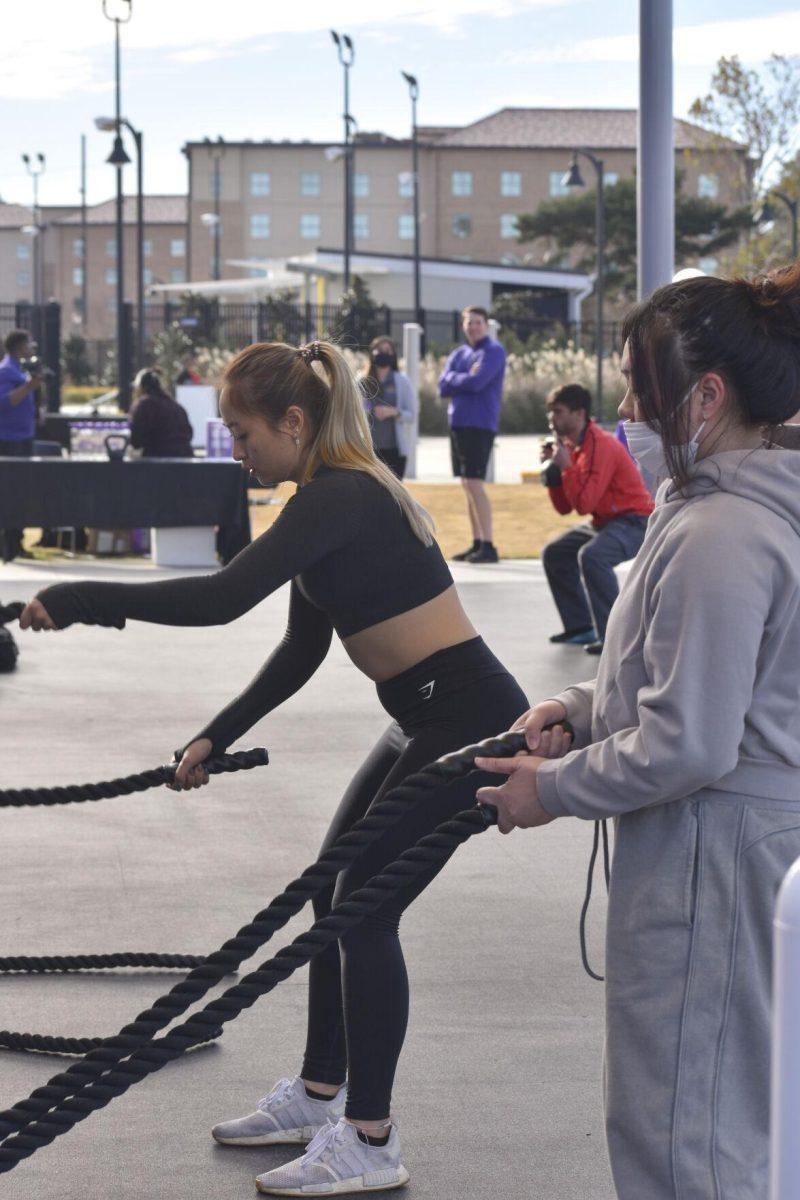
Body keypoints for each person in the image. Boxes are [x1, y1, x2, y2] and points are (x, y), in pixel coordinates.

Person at [20, 339, 530, 1198]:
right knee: (336, 895)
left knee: (367, 911)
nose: (236, 448)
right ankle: (319, 1091)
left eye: (243, 431)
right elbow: (301, 645)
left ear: (294, 423)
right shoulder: (322, 498)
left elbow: (221, 599)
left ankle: (371, 1136)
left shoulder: (339, 498)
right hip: (424, 719)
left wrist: (82, 600)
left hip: (471, 721)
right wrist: (217, 733)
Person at [473, 265, 800, 1200]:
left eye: (638, 386)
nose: (623, 407)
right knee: (712, 1119)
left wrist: (554, 789)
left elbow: (690, 740)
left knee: (682, 1135)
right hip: (728, 856)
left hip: (714, 858)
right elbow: (670, 671)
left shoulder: (724, 532)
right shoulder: (707, 513)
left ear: (707, 394)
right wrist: (576, 711)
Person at [540, 383, 653, 655]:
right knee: (555, 553)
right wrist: (554, 477)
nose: (552, 419)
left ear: (579, 414)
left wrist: (566, 469)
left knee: (593, 557)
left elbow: (584, 503)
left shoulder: (600, 446)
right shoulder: (572, 446)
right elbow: (565, 508)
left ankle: (617, 638)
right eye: (551, 413)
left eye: (558, 412)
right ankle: (580, 627)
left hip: (635, 522)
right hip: (605, 521)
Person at [438, 306, 505, 563]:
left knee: (475, 483)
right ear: (463, 326)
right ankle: (476, 542)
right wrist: (464, 377)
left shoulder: (494, 351)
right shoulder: (459, 353)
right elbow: (442, 386)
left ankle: (489, 544)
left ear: (486, 325)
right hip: (458, 423)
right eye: (469, 323)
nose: (473, 326)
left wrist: (457, 380)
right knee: (466, 483)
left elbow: (479, 383)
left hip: (480, 424)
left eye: (478, 322)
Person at [0, 329, 44, 562]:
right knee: (10, 492)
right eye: (28, 344)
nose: (32, 348)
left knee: (22, 493)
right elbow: (4, 403)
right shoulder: (6, 371)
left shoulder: (19, 369)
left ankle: (16, 542)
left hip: (23, 437)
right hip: (9, 441)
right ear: (18, 347)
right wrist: (29, 387)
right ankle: (8, 545)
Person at [360, 336, 416, 479]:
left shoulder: (402, 382)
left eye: (387, 350)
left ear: (393, 355)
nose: (383, 353)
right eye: (379, 350)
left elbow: (411, 415)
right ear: (372, 353)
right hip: (367, 450)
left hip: (394, 450)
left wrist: (394, 412)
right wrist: (371, 410)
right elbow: (354, 410)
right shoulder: (361, 381)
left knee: (393, 499)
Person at [128, 368, 194, 459]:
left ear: (141, 387)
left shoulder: (143, 405)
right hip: (186, 460)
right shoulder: (176, 406)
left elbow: (136, 441)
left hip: (158, 462)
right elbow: (189, 434)